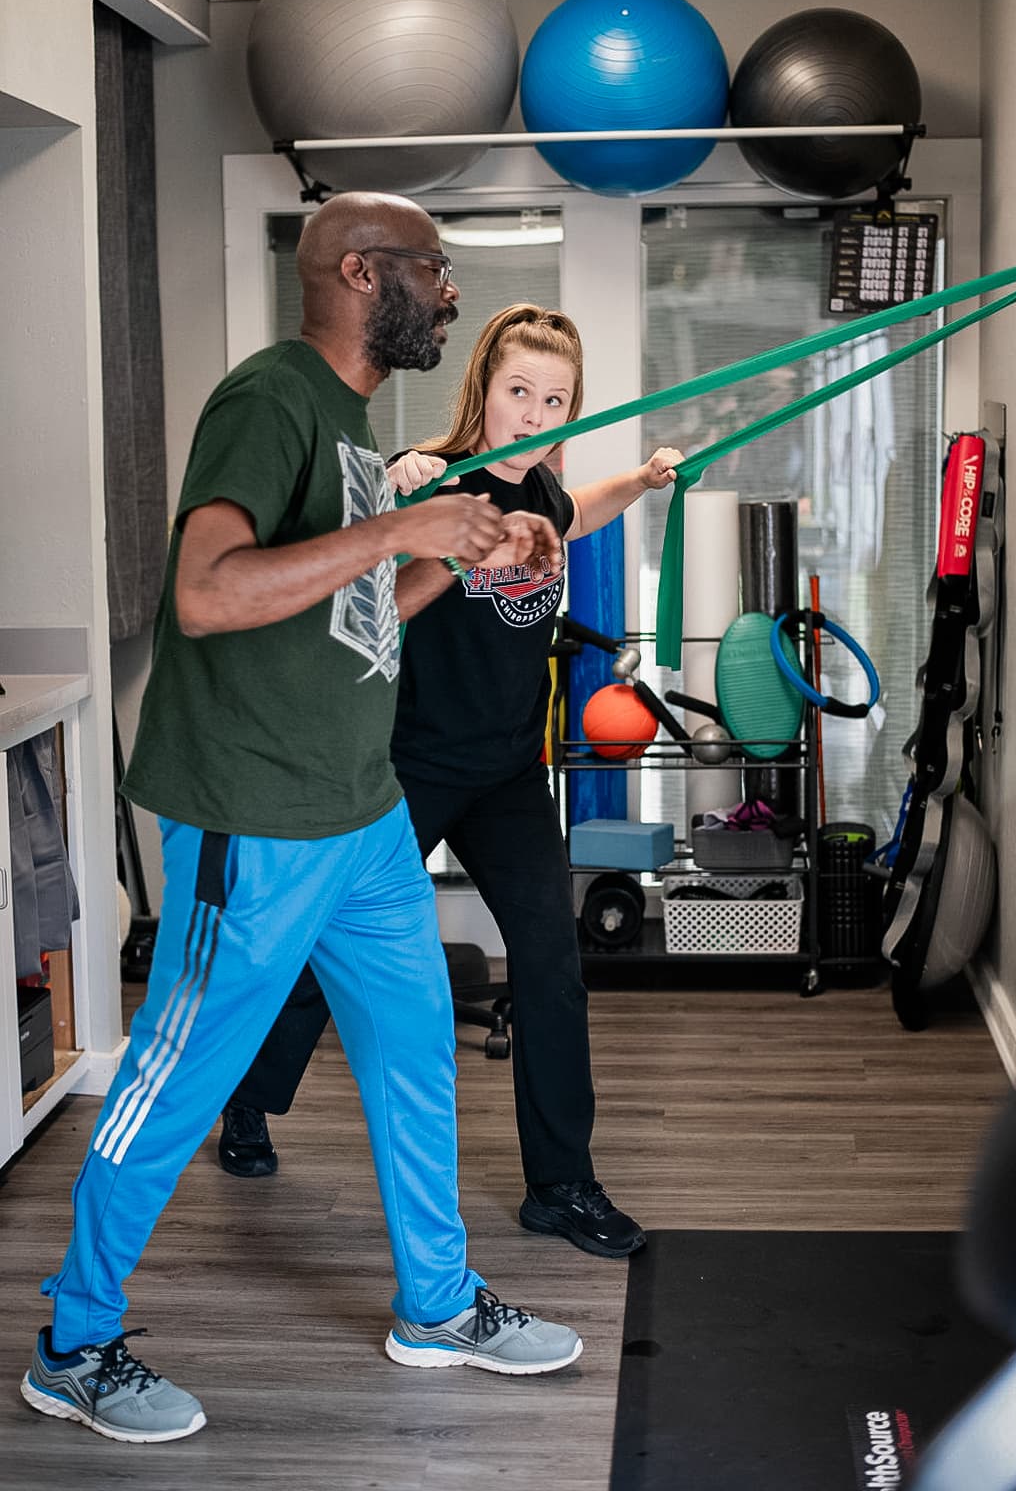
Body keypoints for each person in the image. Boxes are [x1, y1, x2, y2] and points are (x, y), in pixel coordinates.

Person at [20, 198, 583, 1446]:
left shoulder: (350, 419)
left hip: (361, 807)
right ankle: (73, 1339)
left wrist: (471, 564)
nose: (447, 295)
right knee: (172, 1081)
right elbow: (211, 594)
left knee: (413, 1056)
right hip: (257, 817)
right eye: (432, 272)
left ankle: (435, 1304)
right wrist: (403, 524)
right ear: (358, 271)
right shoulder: (270, 400)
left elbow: (356, 600)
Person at [219, 303, 682, 1261]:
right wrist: (400, 485)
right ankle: (251, 1103)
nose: (533, 411)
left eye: (554, 398)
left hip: (509, 774)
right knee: (324, 945)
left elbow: (579, 510)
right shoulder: (436, 484)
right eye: (519, 391)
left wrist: (638, 480)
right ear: (484, 387)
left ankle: (561, 1184)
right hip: (410, 764)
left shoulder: (546, 493)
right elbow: (371, 535)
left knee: (554, 966)